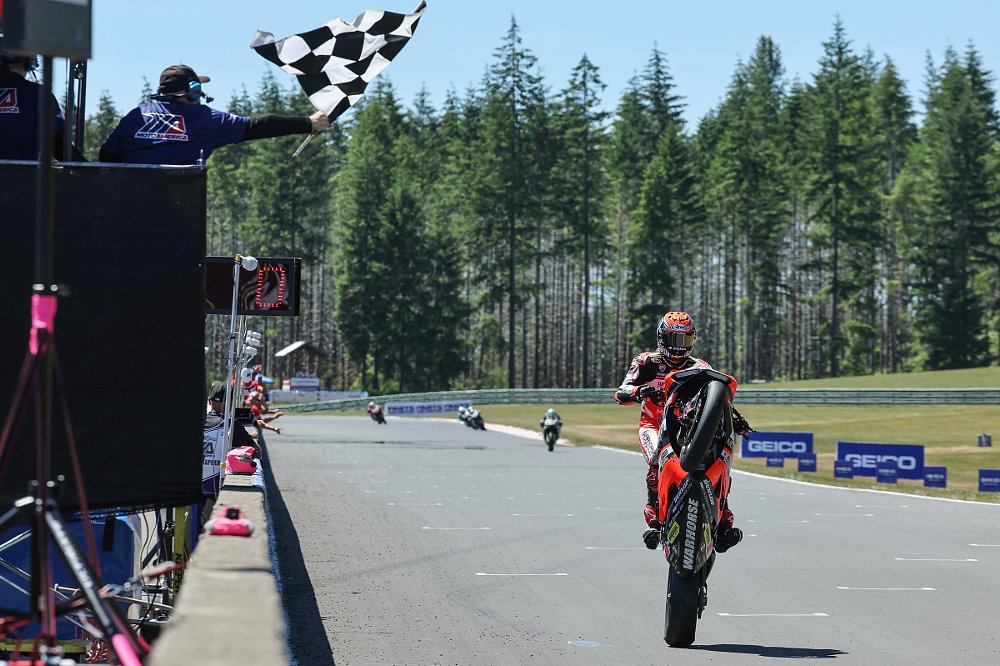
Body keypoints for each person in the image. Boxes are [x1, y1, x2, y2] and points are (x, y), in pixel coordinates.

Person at [613, 311, 751, 551]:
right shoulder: (646, 362)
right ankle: (654, 521)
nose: (679, 348)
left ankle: (724, 521)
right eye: (674, 340)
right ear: (661, 338)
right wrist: (639, 392)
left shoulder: (700, 367)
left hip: (686, 429)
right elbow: (621, 392)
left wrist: (736, 419)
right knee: (656, 464)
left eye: (685, 341)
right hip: (653, 425)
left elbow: (715, 397)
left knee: (719, 462)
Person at [99, 64, 330, 165]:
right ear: (189, 92)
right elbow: (260, 125)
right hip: (176, 217)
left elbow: (106, 156)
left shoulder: (135, 116)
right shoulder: (205, 121)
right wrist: (308, 123)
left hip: (125, 211)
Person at [0, 47, 84, 161]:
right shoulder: (38, 94)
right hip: (23, 177)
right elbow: (58, 145)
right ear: (29, 62)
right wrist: (91, 172)